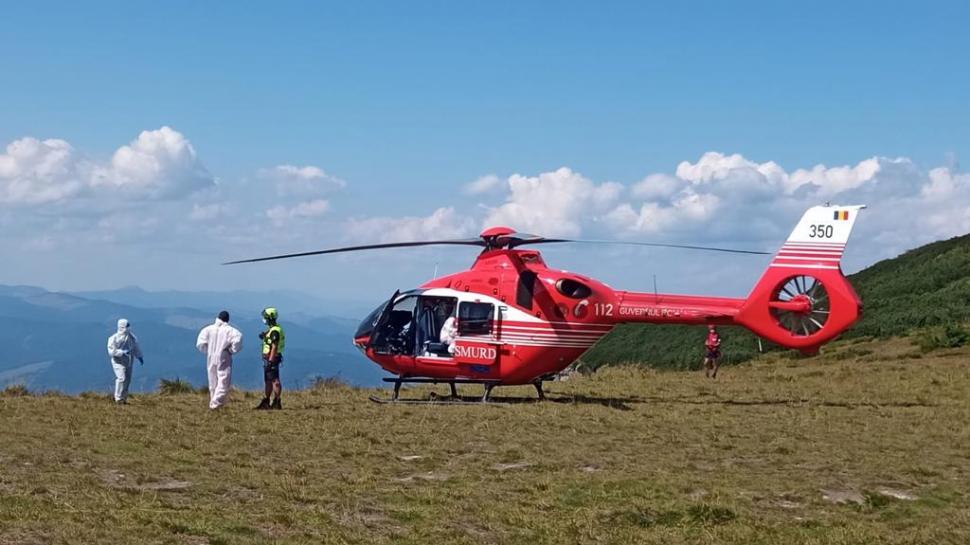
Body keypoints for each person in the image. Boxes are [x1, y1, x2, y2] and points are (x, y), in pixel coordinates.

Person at [196, 310, 243, 410]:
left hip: (211, 354)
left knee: (212, 378)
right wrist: (231, 350)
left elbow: (200, 343)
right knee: (223, 380)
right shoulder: (230, 330)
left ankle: (213, 400)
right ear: (227, 319)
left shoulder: (208, 329)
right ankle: (216, 403)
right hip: (223, 354)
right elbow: (238, 339)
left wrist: (207, 350)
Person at [106, 318, 144, 404]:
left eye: (128, 326)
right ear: (121, 327)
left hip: (129, 361)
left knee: (127, 379)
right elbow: (111, 352)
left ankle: (124, 398)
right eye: (127, 326)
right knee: (121, 378)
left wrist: (139, 356)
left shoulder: (131, 337)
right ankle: (118, 398)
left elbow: (135, 347)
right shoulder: (113, 338)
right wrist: (121, 352)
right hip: (118, 362)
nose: (128, 328)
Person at [255, 307, 286, 410]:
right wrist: (265, 335)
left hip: (271, 358)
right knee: (268, 380)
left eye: (265, 317)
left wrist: (270, 361)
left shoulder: (275, 331)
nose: (264, 319)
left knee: (274, 380)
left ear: (270, 318)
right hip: (269, 358)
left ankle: (276, 402)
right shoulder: (274, 328)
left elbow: (274, 347)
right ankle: (267, 401)